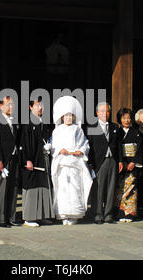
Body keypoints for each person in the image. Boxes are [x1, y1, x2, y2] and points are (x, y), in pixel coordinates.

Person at [50, 96, 93, 226]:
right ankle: (63, 214)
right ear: (62, 117)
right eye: (66, 115)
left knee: (75, 188)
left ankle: (75, 215)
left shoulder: (77, 130)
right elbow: (53, 145)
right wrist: (58, 150)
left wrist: (80, 151)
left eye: (70, 115)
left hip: (74, 162)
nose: (68, 118)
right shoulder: (57, 130)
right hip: (62, 163)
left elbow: (84, 143)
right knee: (62, 189)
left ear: (74, 117)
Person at [20, 97, 55, 227]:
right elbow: (24, 142)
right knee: (32, 187)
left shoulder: (44, 123)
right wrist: (27, 159)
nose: (40, 107)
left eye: (42, 105)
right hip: (32, 159)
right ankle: (29, 218)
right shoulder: (27, 123)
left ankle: (42, 215)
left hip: (43, 158)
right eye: (37, 105)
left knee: (44, 186)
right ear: (30, 107)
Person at [87, 102, 123, 224]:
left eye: (107, 111)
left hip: (112, 160)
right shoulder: (92, 127)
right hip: (99, 161)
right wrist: (90, 163)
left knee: (111, 187)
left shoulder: (115, 127)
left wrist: (120, 161)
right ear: (97, 113)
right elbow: (89, 147)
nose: (104, 113)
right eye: (102, 111)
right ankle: (97, 214)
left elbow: (118, 145)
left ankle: (108, 214)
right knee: (98, 188)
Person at [0, 96, 21, 228]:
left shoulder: (15, 121)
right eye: (8, 104)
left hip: (14, 158)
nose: (11, 107)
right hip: (3, 159)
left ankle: (11, 217)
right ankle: (1, 219)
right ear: (0, 106)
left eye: (12, 104)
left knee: (13, 188)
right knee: (2, 189)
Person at [116, 108, 143, 223]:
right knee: (120, 189)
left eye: (128, 118)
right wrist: (121, 161)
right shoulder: (117, 132)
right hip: (122, 164)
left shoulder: (136, 132)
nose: (126, 120)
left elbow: (139, 149)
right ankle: (121, 213)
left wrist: (133, 162)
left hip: (132, 163)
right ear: (120, 119)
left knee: (132, 189)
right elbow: (116, 148)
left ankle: (130, 214)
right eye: (124, 118)